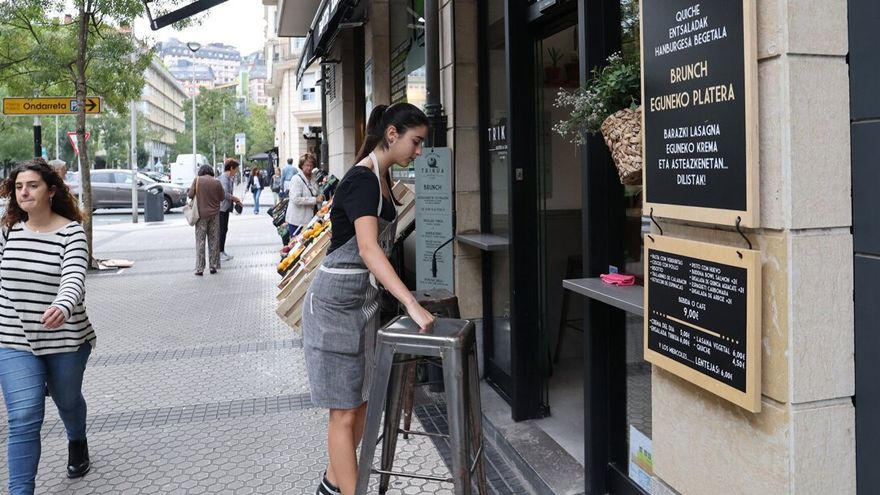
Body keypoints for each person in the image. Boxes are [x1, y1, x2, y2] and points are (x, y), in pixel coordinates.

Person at [302, 103, 436, 495]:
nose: (419, 151)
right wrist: (410, 302)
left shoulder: (383, 178)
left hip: (362, 304)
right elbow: (366, 248)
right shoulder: (362, 180)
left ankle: (331, 485)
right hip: (335, 307)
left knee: (359, 407)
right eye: (416, 141)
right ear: (391, 134)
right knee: (343, 414)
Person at [0, 158, 95, 494]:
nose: (24, 192)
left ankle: (77, 440)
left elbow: (73, 278)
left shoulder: (71, 233)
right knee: (24, 416)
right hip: (13, 339)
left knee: (67, 400)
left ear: (51, 191)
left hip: (65, 340)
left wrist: (62, 304)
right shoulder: (7, 229)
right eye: (19, 186)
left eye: (33, 185)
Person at [188, 165, 227, 275]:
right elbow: (222, 197)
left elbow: (190, 195)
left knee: (200, 242)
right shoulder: (217, 182)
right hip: (214, 215)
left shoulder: (197, 180)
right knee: (214, 241)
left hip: (200, 215)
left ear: (201, 171)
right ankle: (213, 266)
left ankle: (200, 268)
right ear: (210, 171)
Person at [285, 153, 324, 238]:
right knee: (297, 246)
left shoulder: (313, 177)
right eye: (306, 165)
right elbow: (295, 199)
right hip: (297, 220)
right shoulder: (296, 179)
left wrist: (320, 195)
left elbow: (316, 192)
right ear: (301, 166)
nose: (309, 168)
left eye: (311, 165)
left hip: (309, 219)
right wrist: (314, 200)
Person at [218, 158, 242, 262]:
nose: (236, 172)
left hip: (226, 208)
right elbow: (224, 194)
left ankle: (222, 251)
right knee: (221, 230)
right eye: (236, 169)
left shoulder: (229, 178)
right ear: (231, 168)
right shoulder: (224, 178)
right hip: (221, 208)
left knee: (224, 230)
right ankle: (219, 252)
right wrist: (235, 198)